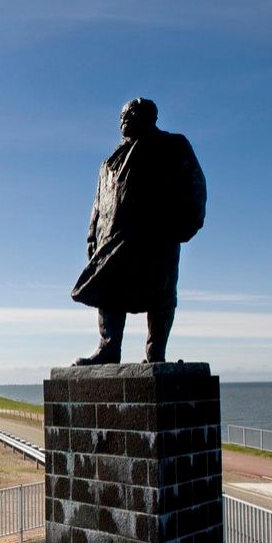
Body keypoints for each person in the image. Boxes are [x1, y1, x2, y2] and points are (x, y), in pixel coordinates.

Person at [71, 98, 206, 364]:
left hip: (156, 236)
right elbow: (99, 202)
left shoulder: (172, 146)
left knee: (160, 293)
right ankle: (108, 348)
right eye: (121, 115)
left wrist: (185, 224)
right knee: (109, 292)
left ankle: (156, 352)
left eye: (129, 114)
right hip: (112, 239)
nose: (122, 120)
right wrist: (92, 236)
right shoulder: (109, 160)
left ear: (148, 117)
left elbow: (195, 185)